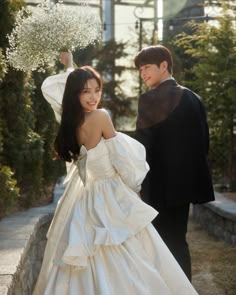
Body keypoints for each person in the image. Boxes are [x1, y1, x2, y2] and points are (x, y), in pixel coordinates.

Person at [33, 52, 199, 294]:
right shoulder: (101, 117)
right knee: (130, 252)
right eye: (85, 91)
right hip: (109, 192)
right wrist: (134, 187)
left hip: (83, 196)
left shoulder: (68, 121)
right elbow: (122, 158)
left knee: (89, 251)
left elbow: (52, 89)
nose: (93, 97)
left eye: (96, 90)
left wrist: (70, 66)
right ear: (74, 94)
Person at [134, 45, 215, 281]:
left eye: (147, 67)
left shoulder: (149, 99)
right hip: (184, 187)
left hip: (156, 186)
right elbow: (204, 142)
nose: (143, 73)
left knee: (156, 244)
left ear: (164, 66)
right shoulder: (193, 97)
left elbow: (142, 146)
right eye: (140, 69)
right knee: (178, 241)